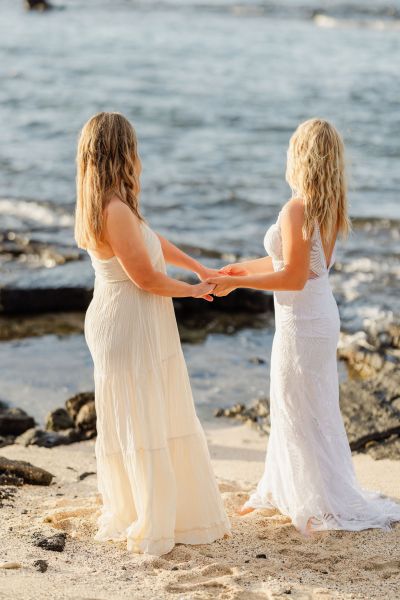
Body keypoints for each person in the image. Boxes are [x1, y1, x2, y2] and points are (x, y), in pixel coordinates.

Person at [209, 118, 400, 533]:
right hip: (319, 316)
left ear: (301, 155)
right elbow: (298, 264)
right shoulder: (328, 206)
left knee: (295, 407)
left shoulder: (297, 208)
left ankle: (307, 498)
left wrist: (234, 284)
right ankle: (285, 489)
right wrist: (241, 271)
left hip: (301, 322)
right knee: (309, 407)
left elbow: (293, 276)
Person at [75, 112, 230, 555]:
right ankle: (152, 515)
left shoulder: (105, 203)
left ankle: (153, 506)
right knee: (145, 418)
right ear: (122, 151)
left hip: (124, 318)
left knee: (147, 415)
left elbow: (151, 240)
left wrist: (197, 266)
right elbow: (144, 277)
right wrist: (194, 290)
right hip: (128, 321)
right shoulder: (114, 209)